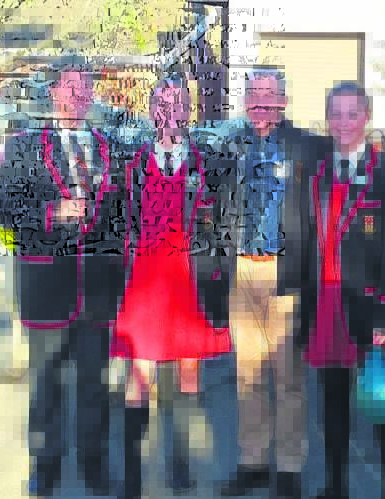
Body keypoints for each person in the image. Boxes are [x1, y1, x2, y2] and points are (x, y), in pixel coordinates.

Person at [0, 63, 123, 497]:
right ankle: (44, 465)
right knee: (45, 385)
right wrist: (52, 212)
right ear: (53, 93)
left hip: (97, 291)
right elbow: (1, 207)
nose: (79, 94)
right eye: (70, 86)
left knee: (93, 385)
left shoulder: (109, 147)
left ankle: (92, 461)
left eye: (86, 86)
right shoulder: (23, 147)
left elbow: (121, 215)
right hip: (47, 288)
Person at [110, 74, 232, 499]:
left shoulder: (206, 162)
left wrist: (219, 275)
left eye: (178, 102)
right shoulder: (132, 164)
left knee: (187, 376)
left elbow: (221, 222)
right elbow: (117, 218)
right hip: (144, 278)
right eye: (162, 103)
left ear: (189, 110)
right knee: (138, 378)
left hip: (188, 278)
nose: (170, 111)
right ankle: (133, 474)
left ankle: (182, 467)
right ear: (151, 111)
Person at [299, 81, 385, 499]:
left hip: (372, 306)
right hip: (327, 304)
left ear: (366, 117)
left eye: (352, 113)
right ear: (327, 119)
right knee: (332, 404)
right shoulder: (317, 173)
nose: (344, 122)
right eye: (336, 114)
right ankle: (337, 486)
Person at [216, 69, 326, 499]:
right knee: (248, 376)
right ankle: (253, 461)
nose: (260, 101)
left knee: (288, 378)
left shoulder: (308, 148)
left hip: (285, 273)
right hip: (242, 271)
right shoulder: (231, 145)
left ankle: (290, 466)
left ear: (283, 100)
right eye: (254, 94)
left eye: (269, 94)